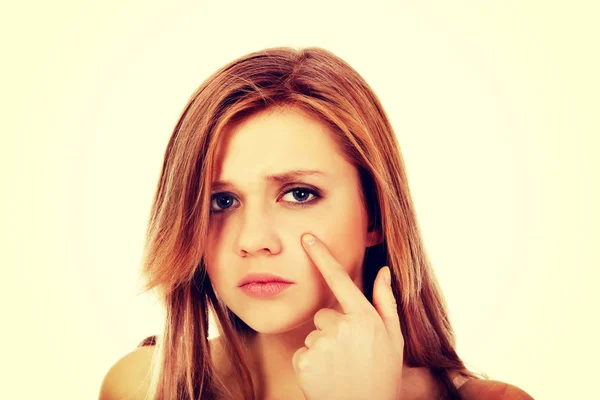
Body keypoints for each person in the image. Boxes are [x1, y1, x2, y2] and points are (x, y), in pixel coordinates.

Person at [98, 47, 534, 400]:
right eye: (222, 201)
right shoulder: (141, 387)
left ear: (376, 216)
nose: (253, 240)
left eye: (299, 194)